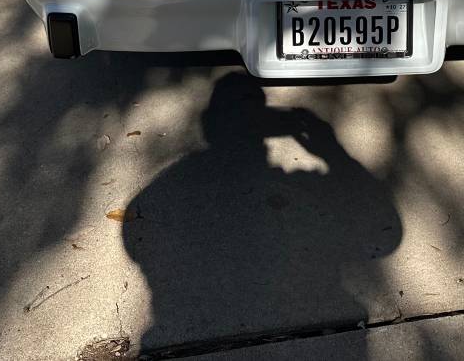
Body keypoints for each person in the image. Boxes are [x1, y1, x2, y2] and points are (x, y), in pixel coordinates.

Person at [122, 73, 402, 352]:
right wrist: (332, 152)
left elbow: (141, 234)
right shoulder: (299, 189)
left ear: (209, 125)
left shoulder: (170, 189)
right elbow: (385, 231)